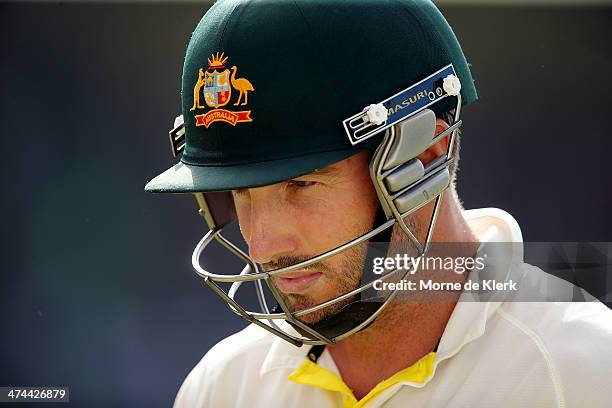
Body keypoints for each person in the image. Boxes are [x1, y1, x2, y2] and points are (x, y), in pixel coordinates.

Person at [145, 0, 612, 406]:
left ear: (425, 150)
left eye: (301, 185)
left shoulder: (583, 374)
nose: (263, 245)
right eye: (241, 194)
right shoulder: (224, 388)